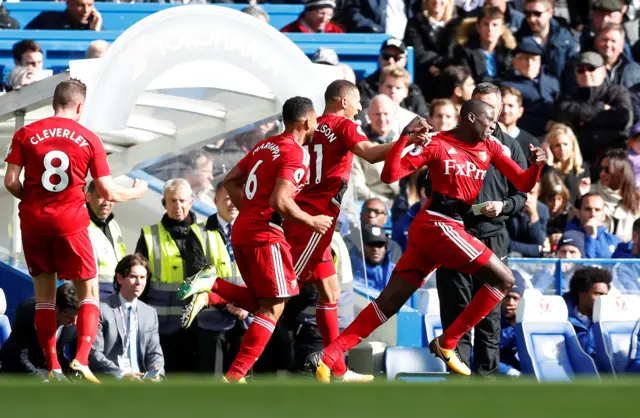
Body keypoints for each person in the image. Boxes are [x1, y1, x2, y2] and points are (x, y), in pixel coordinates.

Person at [305, 99, 546, 381]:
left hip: (446, 227)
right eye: (489, 119)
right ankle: (448, 342)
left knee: (389, 302)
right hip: (438, 222)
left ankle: (329, 355)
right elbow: (389, 174)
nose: (494, 124)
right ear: (470, 117)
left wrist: (536, 166)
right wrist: (404, 138)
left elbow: (524, 183)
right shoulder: (436, 143)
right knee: (504, 280)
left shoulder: (491, 146)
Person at [3, 79, 148, 383]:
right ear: (81, 106)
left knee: (44, 297)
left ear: (54, 102)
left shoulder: (26, 133)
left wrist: (33, 199)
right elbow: (107, 190)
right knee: (89, 292)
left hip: (33, 222)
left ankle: (54, 366)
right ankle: (81, 359)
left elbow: (11, 181)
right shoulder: (88, 138)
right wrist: (137, 192)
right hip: (70, 223)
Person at [179, 97, 330, 383]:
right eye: (315, 119)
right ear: (306, 121)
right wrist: (312, 221)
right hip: (265, 234)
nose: (317, 124)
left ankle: (212, 290)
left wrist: (249, 211)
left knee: (267, 305)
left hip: (244, 228)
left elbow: (231, 181)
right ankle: (233, 378)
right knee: (274, 309)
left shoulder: (265, 146)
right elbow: (281, 200)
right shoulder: (295, 154)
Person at [89, 254, 164, 381]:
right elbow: (94, 353)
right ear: (119, 278)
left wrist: (157, 374)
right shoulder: (102, 310)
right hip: (112, 382)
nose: (139, 282)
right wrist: (121, 375)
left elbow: (155, 353)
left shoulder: (150, 313)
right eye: (133, 277)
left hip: (142, 382)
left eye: (143, 277)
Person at [0, 283, 78, 379]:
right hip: (18, 371)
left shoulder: (75, 322)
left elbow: (75, 355)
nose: (74, 322)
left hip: (48, 369)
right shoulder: (28, 311)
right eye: (69, 318)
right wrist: (46, 382)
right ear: (56, 309)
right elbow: (19, 356)